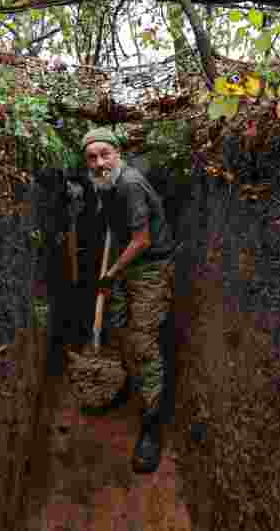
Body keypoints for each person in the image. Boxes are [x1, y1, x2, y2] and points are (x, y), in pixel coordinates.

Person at [81, 126, 176, 474]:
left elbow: (143, 240)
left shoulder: (131, 184)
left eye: (105, 154)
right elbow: (113, 227)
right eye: (91, 157)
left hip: (149, 265)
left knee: (143, 341)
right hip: (127, 260)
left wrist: (111, 273)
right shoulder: (103, 182)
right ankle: (125, 384)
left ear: (118, 154)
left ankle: (152, 424)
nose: (99, 162)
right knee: (118, 326)